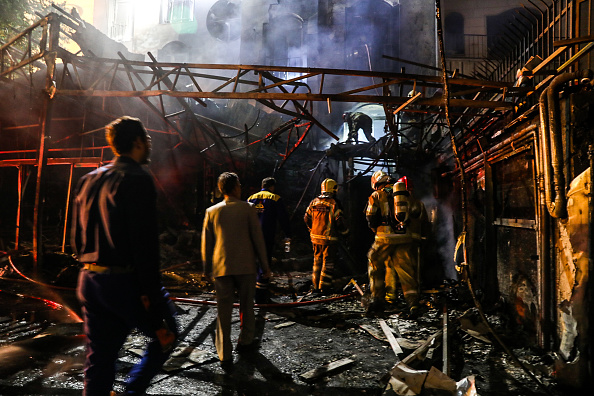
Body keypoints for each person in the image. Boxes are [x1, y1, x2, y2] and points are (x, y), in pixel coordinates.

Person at [71, 116, 178, 396]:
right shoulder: (137, 179)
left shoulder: (88, 180)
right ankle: (133, 391)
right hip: (123, 283)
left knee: (100, 358)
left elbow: (76, 239)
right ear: (139, 142)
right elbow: (144, 247)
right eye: (149, 140)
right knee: (165, 336)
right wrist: (154, 310)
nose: (150, 146)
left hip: (89, 280)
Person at [201, 172, 271, 369]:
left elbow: (206, 243)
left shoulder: (211, 211)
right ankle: (245, 341)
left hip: (222, 267)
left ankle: (224, 354)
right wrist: (265, 266)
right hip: (246, 266)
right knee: (247, 306)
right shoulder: (248, 209)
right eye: (239, 184)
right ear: (235, 187)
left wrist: (206, 268)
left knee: (223, 312)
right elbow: (258, 239)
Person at [365, 171, 427, 318]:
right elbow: (418, 216)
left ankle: (377, 300)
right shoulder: (405, 196)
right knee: (406, 271)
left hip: (384, 238)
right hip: (405, 238)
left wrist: (377, 229)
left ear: (376, 183)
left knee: (374, 262)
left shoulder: (377, 195)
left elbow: (370, 216)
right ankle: (413, 304)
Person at [247, 177, 292, 304]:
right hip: (266, 236)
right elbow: (283, 218)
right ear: (272, 187)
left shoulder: (251, 198)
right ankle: (260, 296)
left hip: (250, 236)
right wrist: (287, 234)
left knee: (252, 264)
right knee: (264, 264)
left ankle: (250, 293)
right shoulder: (275, 198)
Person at [304, 178, 349, 295]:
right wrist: (346, 234)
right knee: (327, 264)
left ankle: (315, 287)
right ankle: (324, 288)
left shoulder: (314, 202)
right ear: (333, 189)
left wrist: (311, 230)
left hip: (315, 238)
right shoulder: (334, 203)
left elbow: (306, 218)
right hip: (329, 239)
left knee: (317, 262)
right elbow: (339, 221)